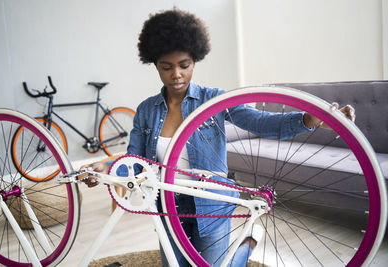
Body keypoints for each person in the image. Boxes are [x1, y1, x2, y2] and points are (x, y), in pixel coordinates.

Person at [81, 8, 355, 267]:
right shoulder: (146, 111)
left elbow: (261, 123)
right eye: (166, 67)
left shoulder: (214, 99)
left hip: (211, 204)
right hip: (167, 207)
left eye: (184, 65)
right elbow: (135, 160)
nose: (176, 74)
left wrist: (308, 120)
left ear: (195, 60)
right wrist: (106, 169)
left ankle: (247, 243)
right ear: (154, 64)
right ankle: (245, 245)